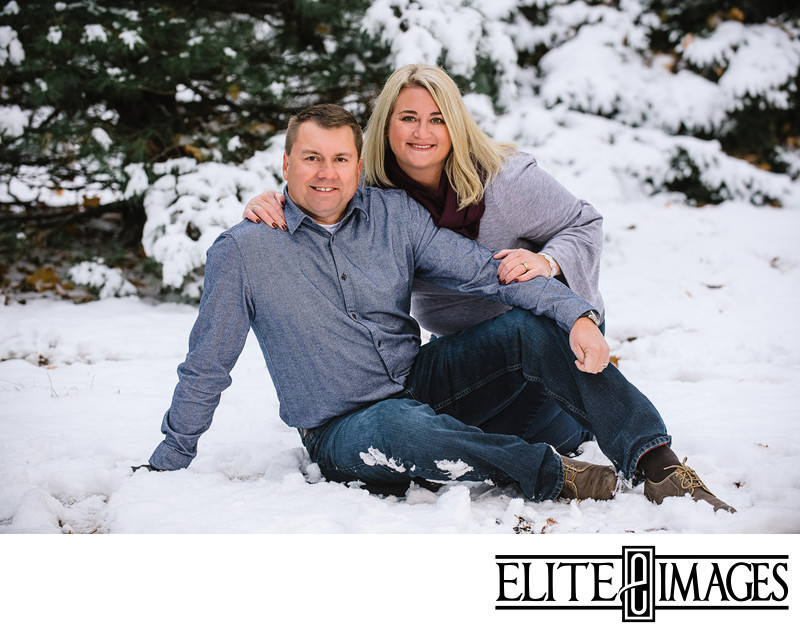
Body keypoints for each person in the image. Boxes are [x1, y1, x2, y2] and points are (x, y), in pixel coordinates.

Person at [139, 104, 735, 514]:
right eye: (312, 158)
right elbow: (208, 365)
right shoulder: (244, 251)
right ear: (286, 164)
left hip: (421, 381)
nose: (327, 173)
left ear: (357, 162)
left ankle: (655, 461)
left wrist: (574, 313)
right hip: (342, 426)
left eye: (340, 158)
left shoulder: (394, 216)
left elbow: (487, 273)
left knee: (525, 327)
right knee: (397, 426)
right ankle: (556, 474)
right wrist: (171, 459)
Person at [243, 64, 603, 458]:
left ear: (456, 126)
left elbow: (584, 222)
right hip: (465, 351)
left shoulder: (507, 181)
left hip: (551, 331)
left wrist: (548, 261)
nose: (422, 132)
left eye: (437, 119)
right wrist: (274, 201)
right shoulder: (372, 196)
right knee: (442, 434)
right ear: (386, 126)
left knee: (527, 436)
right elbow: (319, 188)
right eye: (408, 118)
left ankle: (584, 413)